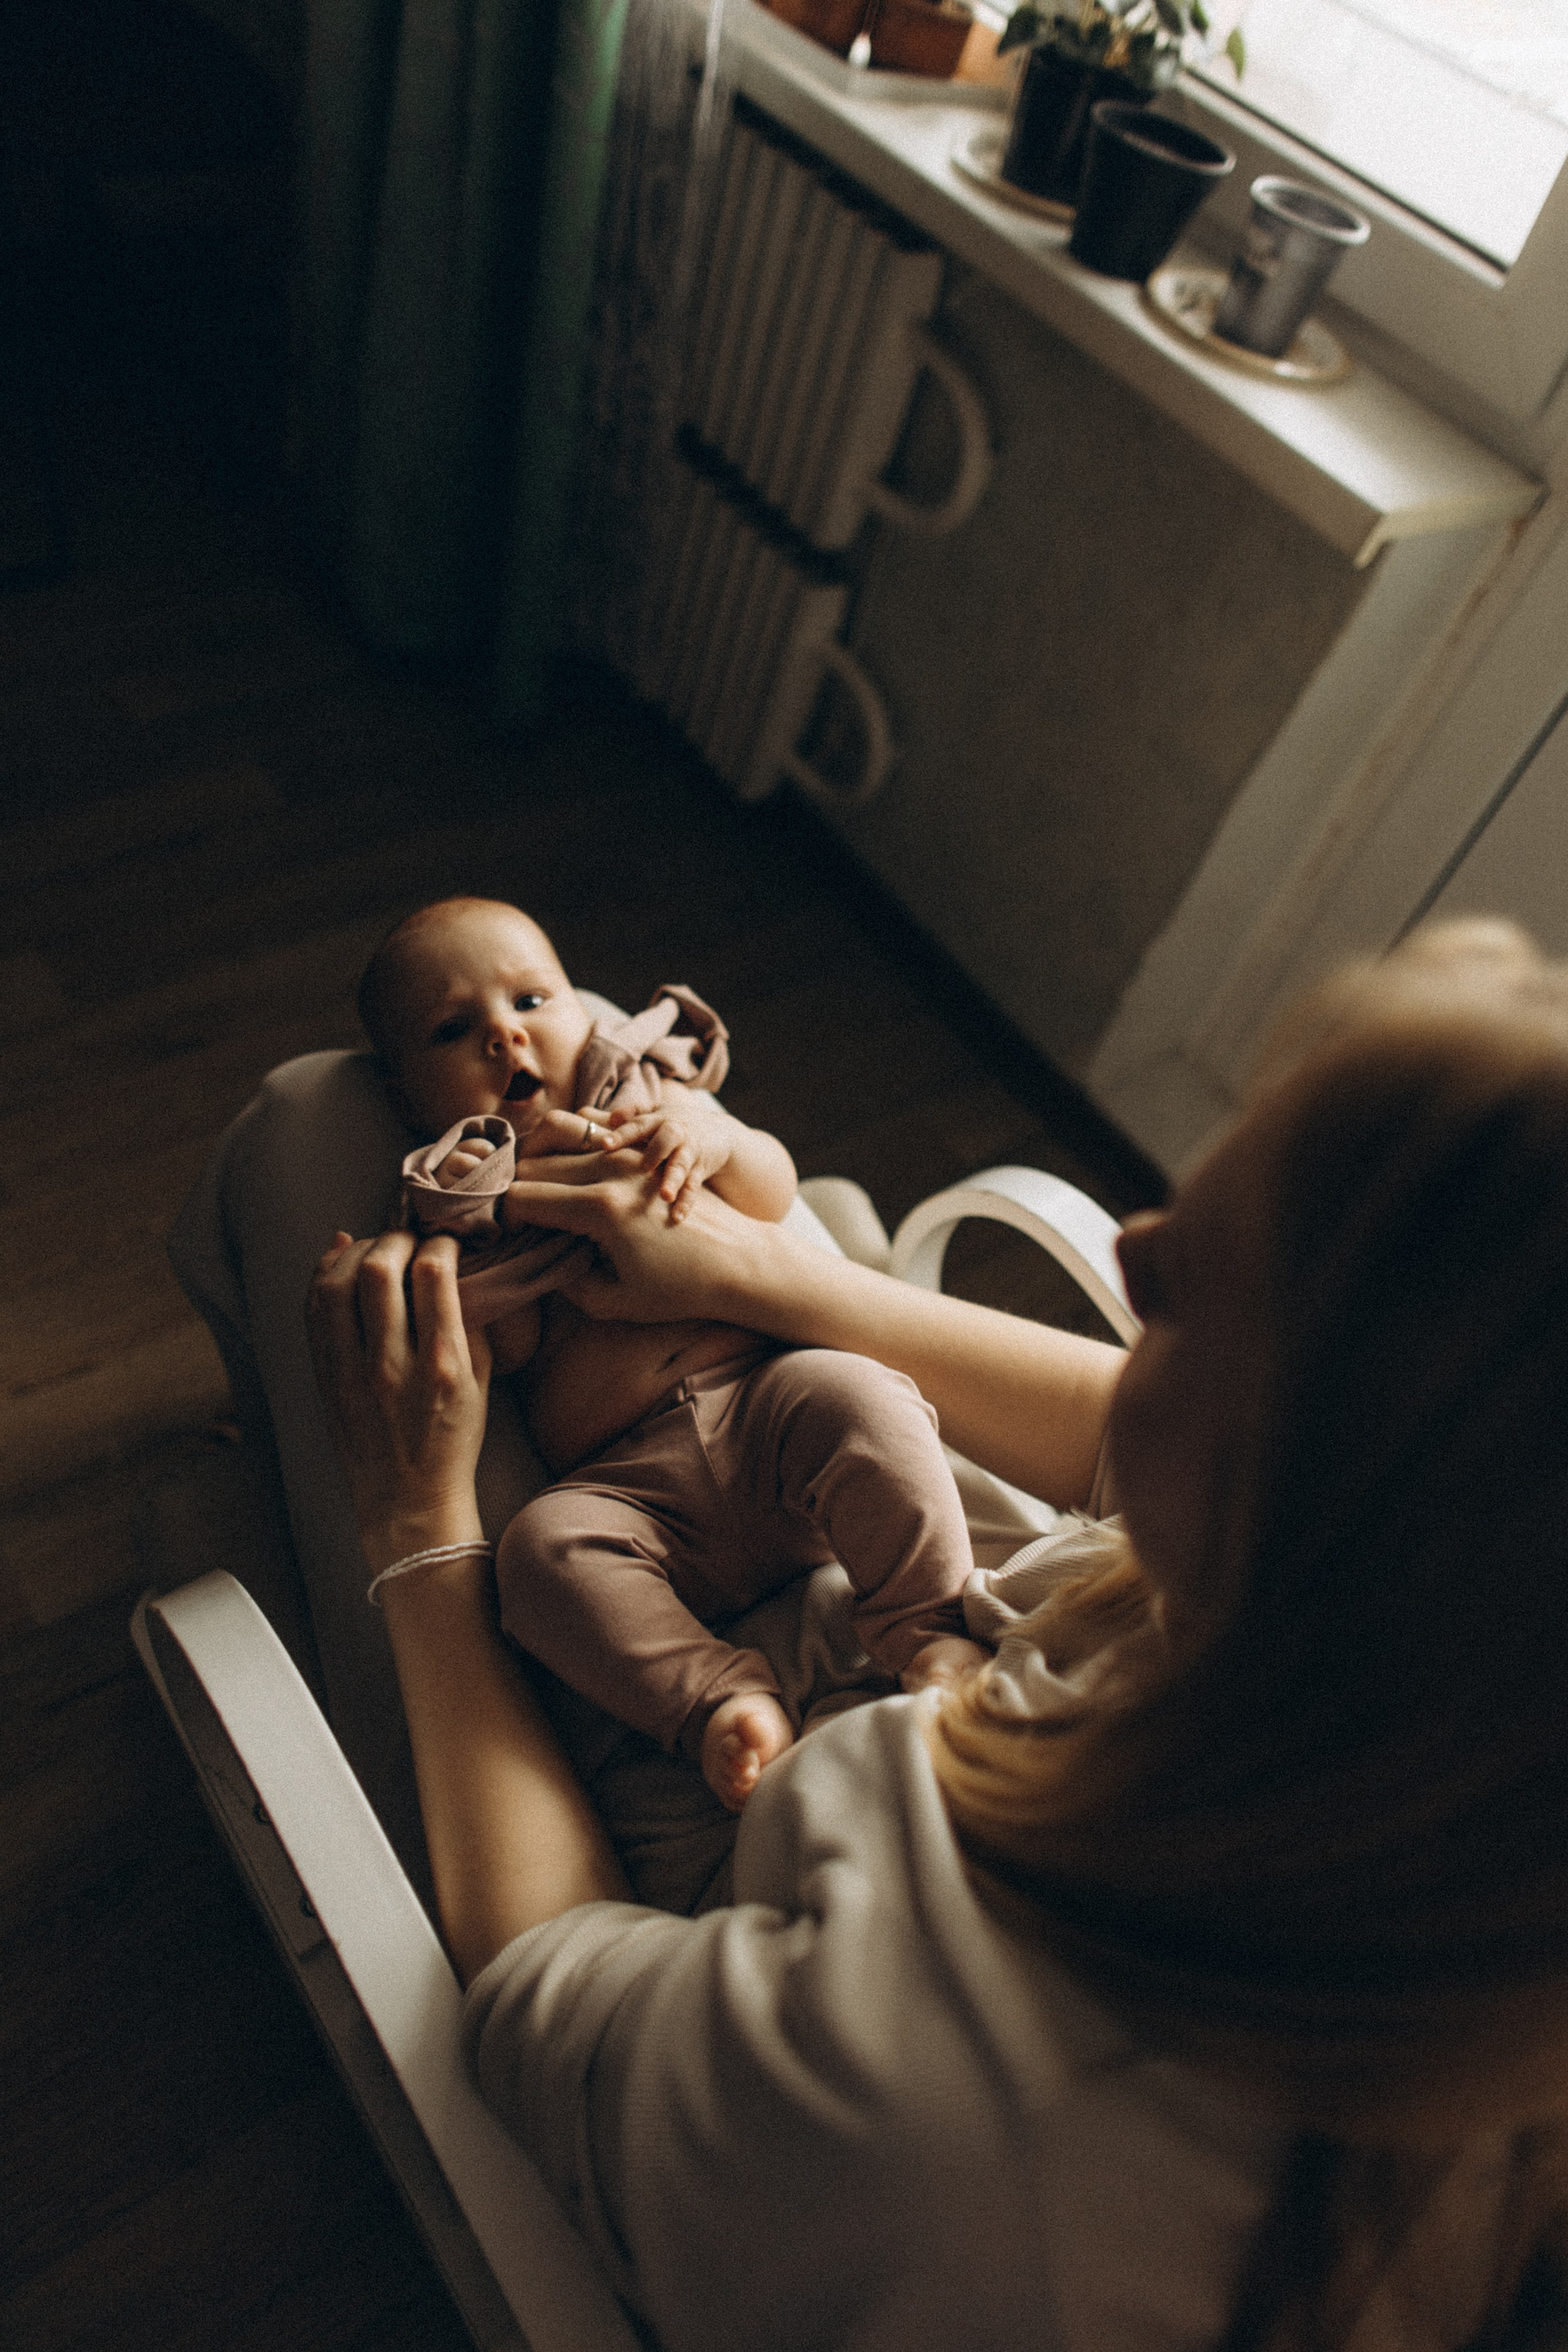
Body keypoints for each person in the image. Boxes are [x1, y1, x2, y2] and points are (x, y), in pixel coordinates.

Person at [309, 918, 1568, 2352]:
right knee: (820, 1237)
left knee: (302, 1136)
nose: (1134, 1244)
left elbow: (544, 1984)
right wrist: (762, 1277)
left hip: (709, 1909)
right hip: (856, 1649)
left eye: (1239, 1279)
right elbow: (1133, 1444)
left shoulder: (938, 2127)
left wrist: (415, 1521)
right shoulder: (1454, 1698)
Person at [360, 895, 984, 1811]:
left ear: (587, 1012)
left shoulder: (652, 1102)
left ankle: (927, 1627)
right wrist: (474, 1231)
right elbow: (515, 1341)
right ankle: (719, 1702)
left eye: (532, 1000)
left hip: (774, 1410)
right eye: (454, 1030)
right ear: (406, 1098)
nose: (504, 1036)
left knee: (864, 1398)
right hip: (631, 1491)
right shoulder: (464, 1200)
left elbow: (769, 1197)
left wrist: (715, 1136)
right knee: (537, 1554)